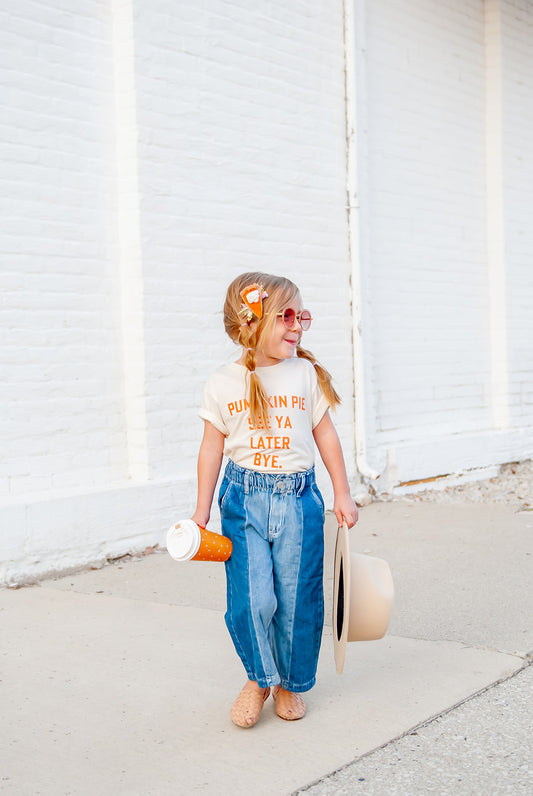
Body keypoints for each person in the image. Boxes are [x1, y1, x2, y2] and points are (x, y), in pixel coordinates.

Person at [191, 272, 358, 728]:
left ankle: (290, 683)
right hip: (243, 500)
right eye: (287, 316)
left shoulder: (304, 374)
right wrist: (201, 510)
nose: (298, 326)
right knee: (251, 598)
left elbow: (326, 434)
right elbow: (211, 448)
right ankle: (258, 677)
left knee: (298, 598)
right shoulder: (223, 383)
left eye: (301, 315)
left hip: (298, 501)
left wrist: (342, 492)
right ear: (252, 321)